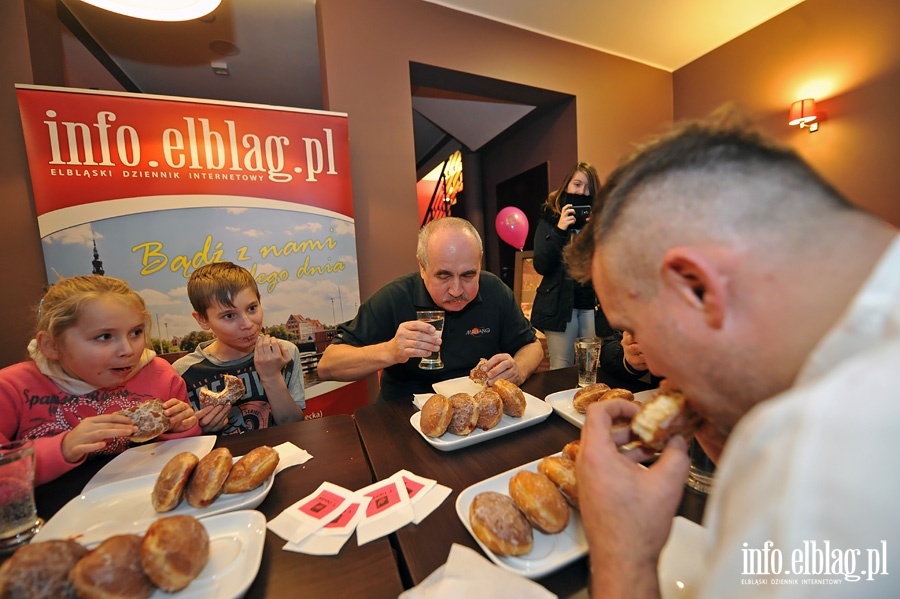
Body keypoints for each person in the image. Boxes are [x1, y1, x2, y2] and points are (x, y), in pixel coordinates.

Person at [564, 117, 900, 597]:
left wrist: (623, 554)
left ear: (697, 288)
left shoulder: (815, 463)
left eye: (633, 327)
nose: (653, 369)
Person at [0, 276, 200, 485]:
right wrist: (63, 449)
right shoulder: (11, 388)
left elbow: (184, 456)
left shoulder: (160, 375)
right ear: (52, 345)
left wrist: (183, 427)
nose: (128, 350)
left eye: (136, 332)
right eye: (105, 336)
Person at [317, 217, 544, 400]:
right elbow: (328, 366)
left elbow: (532, 346)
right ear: (422, 267)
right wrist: (390, 351)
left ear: (480, 262)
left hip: (479, 411)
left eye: (468, 275)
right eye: (443, 276)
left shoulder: (494, 290)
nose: (456, 290)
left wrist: (519, 370)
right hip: (405, 416)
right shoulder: (395, 297)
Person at [173, 262, 305, 434]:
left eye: (252, 308)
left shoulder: (284, 352)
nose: (248, 324)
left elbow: (294, 424)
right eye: (229, 315)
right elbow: (180, 442)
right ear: (202, 320)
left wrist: (272, 377)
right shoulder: (182, 373)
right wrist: (201, 430)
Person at [530, 162, 607, 369]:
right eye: (577, 184)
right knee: (561, 367)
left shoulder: (600, 222)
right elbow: (541, 264)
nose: (582, 192)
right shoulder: (550, 217)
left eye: (589, 188)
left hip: (593, 305)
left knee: (593, 367)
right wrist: (560, 229)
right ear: (566, 186)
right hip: (560, 306)